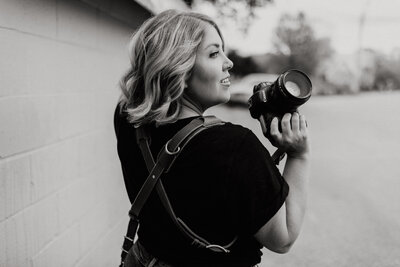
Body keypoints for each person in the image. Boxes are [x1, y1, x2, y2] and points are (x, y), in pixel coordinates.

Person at [114, 9, 310, 267]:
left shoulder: (128, 117)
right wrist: (298, 154)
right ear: (179, 69)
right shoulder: (234, 147)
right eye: (214, 53)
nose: (229, 63)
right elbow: (282, 238)